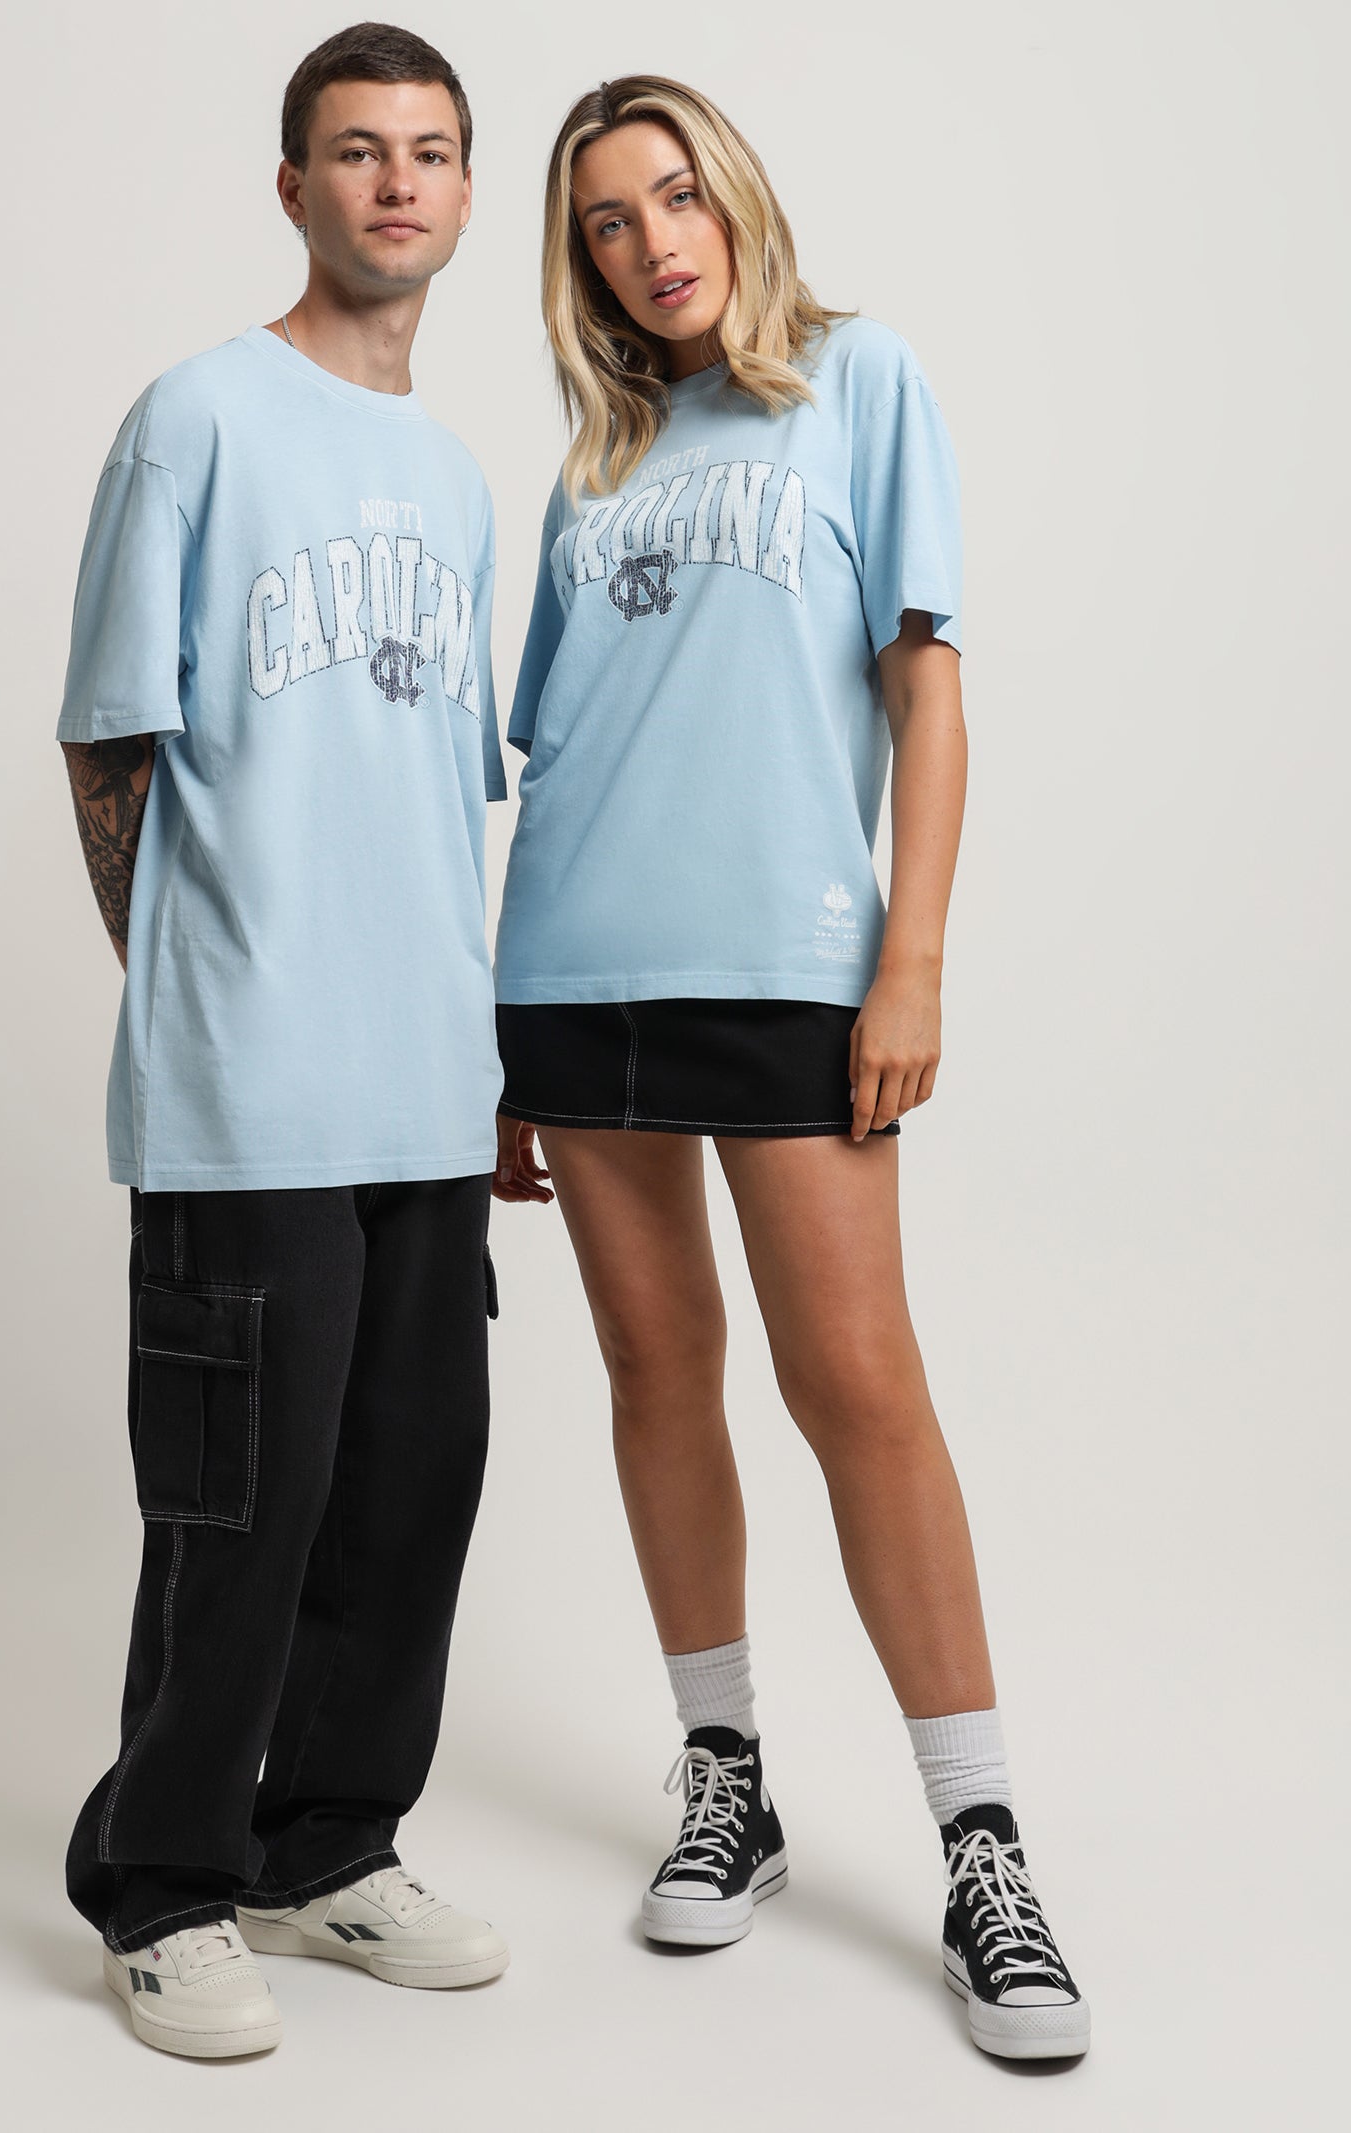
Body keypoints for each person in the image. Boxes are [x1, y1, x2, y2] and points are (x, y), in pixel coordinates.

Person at [491, 75, 1090, 2062]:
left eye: (675, 196)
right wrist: (496, 1023)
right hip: (573, 970)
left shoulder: (861, 380)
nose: (651, 242)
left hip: (789, 970)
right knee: (654, 1365)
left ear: (734, 195)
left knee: (855, 1383)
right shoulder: (594, 460)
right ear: (578, 261)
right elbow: (556, 756)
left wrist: (907, 957)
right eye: (606, 221)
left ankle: (983, 1841)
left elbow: (929, 691)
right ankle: (725, 1777)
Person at [55, 23, 510, 2059]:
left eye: (428, 151)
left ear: (464, 192)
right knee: (234, 1507)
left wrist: (483, 1062)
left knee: (407, 1494)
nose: (395, 182)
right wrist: (189, 997)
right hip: (249, 1086)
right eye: (355, 149)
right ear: (292, 185)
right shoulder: (198, 419)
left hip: (426, 1088)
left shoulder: (455, 477)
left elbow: (430, 793)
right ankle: (161, 1882)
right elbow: (108, 744)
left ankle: (326, 1847)